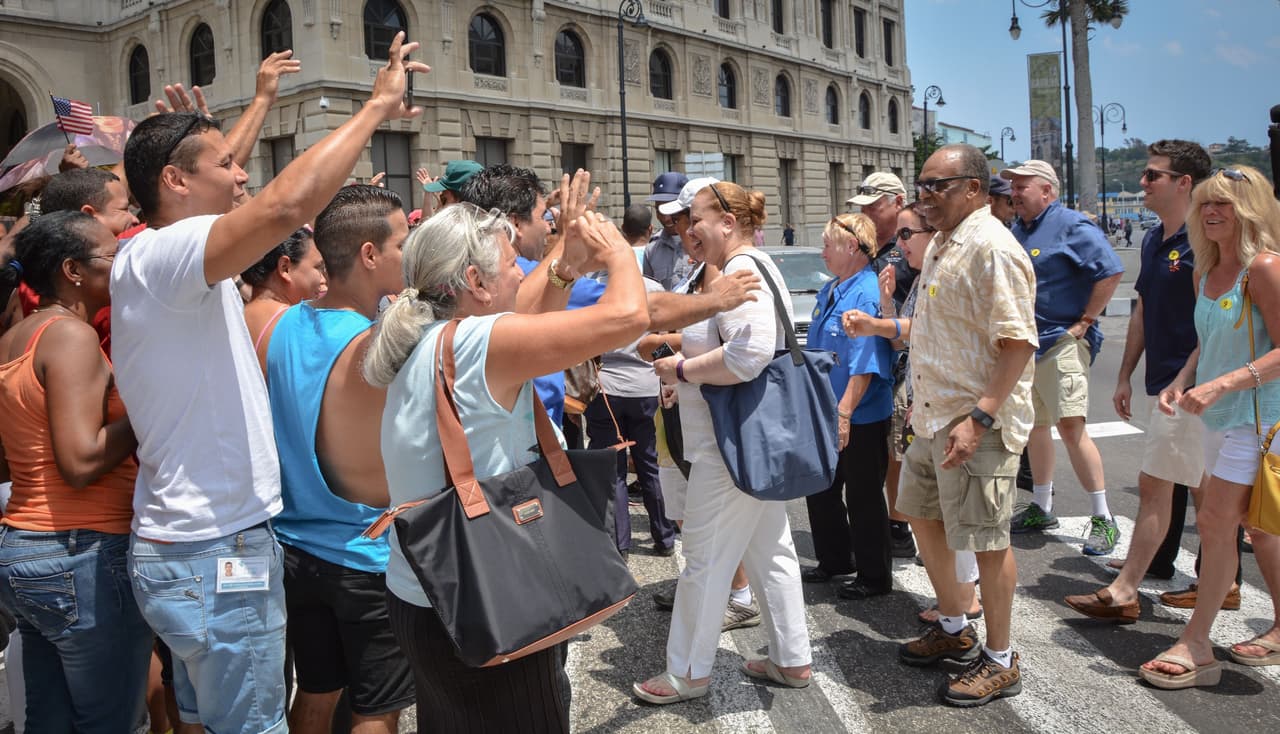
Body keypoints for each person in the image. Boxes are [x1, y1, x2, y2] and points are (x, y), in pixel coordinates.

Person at [110, 33, 427, 732]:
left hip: (183, 550)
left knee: (203, 720)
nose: (242, 173)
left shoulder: (152, 256)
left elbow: (239, 191)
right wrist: (374, 108)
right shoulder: (172, 254)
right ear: (174, 181)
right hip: (216, 552)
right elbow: (283, 208)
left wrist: (251, 109)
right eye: (226, 165)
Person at [363, 190, 648, 731]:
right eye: (513, 263)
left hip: (425, 594)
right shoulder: (479, 342)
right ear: (475, 281)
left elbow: (539, 325)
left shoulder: (427, 335)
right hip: (486, 596)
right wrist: (616, 253)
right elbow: (629, 317)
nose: (522, 276)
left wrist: (562, 270)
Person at [638, 181, 813, 704]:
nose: (690, 228)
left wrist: (682, 369)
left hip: (730, 443)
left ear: (728, 222)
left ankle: (688, 672)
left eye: (698, 218)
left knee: (705, 559)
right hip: (746, 437)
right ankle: (791, 658)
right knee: (770, 552)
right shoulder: (744, 268)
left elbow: (747, 355)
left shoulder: (744, 270)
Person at [892, 144, 1037, 707]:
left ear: (974, 189)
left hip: (975, 423)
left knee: (987, 542)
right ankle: (954, 628)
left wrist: (979, 418)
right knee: (924, 520)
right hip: (931, 415)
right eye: (921, 185)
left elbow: (1019, 343)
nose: (925, 196)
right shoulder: (944, 242)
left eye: (938, 186)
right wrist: (917, 399)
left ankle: (1000, 658)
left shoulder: (992, 247)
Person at [266, 185, 413, 733]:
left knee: (317, 692)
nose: (410, 252)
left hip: (297, 548)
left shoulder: (281, 325)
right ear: (370, 254)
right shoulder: (373, 343)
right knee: (376, 710)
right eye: (403, 241)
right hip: (364, 554)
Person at [0, 212, 151, 732]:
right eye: (113, 256)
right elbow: (81, 460)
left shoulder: (20, 334)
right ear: (73, 270)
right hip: (80, 552)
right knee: (109, 723)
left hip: (30, 548)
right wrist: (151, 410)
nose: (123, 265)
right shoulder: (70, 337)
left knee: (49, 720)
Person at [1066, 140, 1220, 623]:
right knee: (1182, 487)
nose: (1142, 182)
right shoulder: (1155, 239)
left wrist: (1186, 377)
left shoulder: (1208, 242)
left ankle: (1142, 588)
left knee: (1192, 489)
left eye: (1152, 175)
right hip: (1168, 384)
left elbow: (1216, 323)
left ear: (1183, 183)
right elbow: (1143, 309)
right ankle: (1191, 579)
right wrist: (1127, 374)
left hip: (1201, 386)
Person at [1139, 165, 1280, 689]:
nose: (1213, 212)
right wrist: (1182, 378)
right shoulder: (1206, 271)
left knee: (1219, 522)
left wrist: (1223, 385)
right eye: (1206, 204)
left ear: (1252, 211)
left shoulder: (1264, 268)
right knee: (1257, 528)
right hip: (1218, 418)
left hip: (1260, 418)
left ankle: (1197, 646)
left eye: (1226, 203)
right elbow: (1210, 339)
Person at [844, 204, 986, 624]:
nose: (899, 245)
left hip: (955, 409)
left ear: (933, 233)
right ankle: (955, 606)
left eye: (907, 235)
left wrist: (877, 323)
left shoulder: (951, 273)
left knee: (957, 509)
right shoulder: (923, 279)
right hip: (924, 405)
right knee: (930, 508)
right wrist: (885, 311)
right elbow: (905, 339)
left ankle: (967, 598)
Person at [1004, 160, 1125, 556]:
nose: (1015, 193)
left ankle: (1102, 517)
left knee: (1071, 427)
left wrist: (1086, 321)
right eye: (1013, 186)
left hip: (1060, 341)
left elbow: (1110, 271)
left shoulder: (1072, 225)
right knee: (1035, 428)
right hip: (1027, 346)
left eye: (1023, 186)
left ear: (1048, 191)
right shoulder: (1017, 229)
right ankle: (1042, 505)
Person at [801, 212, 895, 600]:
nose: (823, 252)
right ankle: (836, 558)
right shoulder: (832, 289)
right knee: (821, 488)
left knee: (863, 496)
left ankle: (874, 576)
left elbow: (865, 364)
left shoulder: (866, 293)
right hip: (826, 407)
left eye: (828, 244)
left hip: (859, 415)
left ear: (852, 246)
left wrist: (844, 413)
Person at [849, 171, 919, 557]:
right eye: (864, 208)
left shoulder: (909, 245)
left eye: (875, 207)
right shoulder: (873, 246)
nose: (869, 215)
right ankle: (890, 520)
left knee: (897, 449)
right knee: (883, 446)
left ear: (897, 202)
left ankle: (899, 525)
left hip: (901, 360)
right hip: (876, 358)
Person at [241, 227, 329, 372]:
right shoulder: (298, 323)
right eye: (318, 267)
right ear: (285, 268)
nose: (322, 279)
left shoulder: (237, 317)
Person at [644, 172, 694, 290]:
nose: (666, 218)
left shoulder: (704, 245)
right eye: (660, 210)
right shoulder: (652, 249)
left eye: (670, 208)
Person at [416, 159, 482, 219]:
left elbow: (426, 227)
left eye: (444, 199)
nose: (441, 193)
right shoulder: (486, 221)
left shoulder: (458, 227)